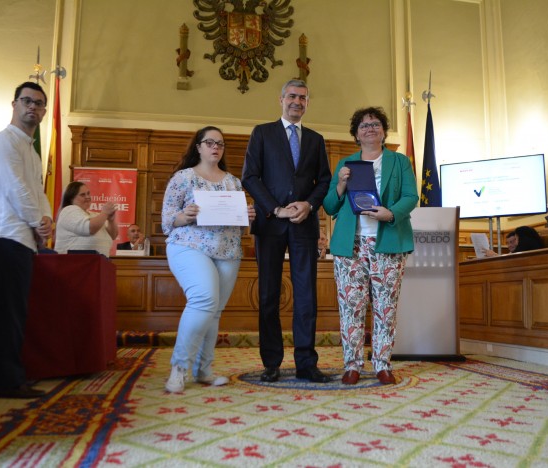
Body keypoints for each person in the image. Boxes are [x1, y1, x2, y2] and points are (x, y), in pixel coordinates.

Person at [241, 79, 332, 383]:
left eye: (303, 98)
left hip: (304, 225)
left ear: (308, 103)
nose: (297, 101)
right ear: (280, 99)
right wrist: (276, 209)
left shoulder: (316, 140)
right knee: (268, 294)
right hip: (270, 224)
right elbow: (250, 177)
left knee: (306, 295)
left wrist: (308, 204)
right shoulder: (262, 133)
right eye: (292, 96)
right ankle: (272, 362)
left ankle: (306, 362)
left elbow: (325, 181)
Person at [323, 106, 418, 385]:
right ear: (356, 133)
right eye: (364, 125)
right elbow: (330, 206)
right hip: (350, 244)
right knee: (351, 306)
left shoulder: (399, 162)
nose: (370, 128)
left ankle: (381, 364)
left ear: (384, 131)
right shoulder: (345, 164)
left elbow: (411, 196)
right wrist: (340, 184)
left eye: (376, 124)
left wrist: (391, 213)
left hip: (387, 241)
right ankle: (352, 364)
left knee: (385, 305)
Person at [163, 126, 255, 393]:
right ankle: (179, 368)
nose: (216, 147)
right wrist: (185, 215)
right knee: (203, 299)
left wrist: (246, 216)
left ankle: (203, 370)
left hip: (227, 250)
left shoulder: (233, 182)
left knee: (213, 311)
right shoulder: (183, 178)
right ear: (198, 147)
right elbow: (168, 220)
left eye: (220, 144)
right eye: (210, 142)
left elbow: (237, 223)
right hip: (189, 246)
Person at [0, 82, 53, 399]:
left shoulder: (30, 150)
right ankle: (7, 382)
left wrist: (46, 220)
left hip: (22, 239)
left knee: (17, 311)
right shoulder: (4, 142)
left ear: (44, 111)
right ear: (15, 104)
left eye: (38, 103)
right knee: (7, 312)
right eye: (27, 101)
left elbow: (37, 191)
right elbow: (15, 189)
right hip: (4, 235)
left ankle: (13, 376)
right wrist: (38, 221)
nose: (32, 107)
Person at [54, 181, 118, 256]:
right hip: (73, 264)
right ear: (71, 198)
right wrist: (105, 213)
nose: (87, 197)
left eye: (88, 193)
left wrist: (111, 220)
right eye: (82, 195)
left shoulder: (95, 215)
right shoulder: (68, 211)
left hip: (96, 264)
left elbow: (113, 235)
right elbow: (89, 228)